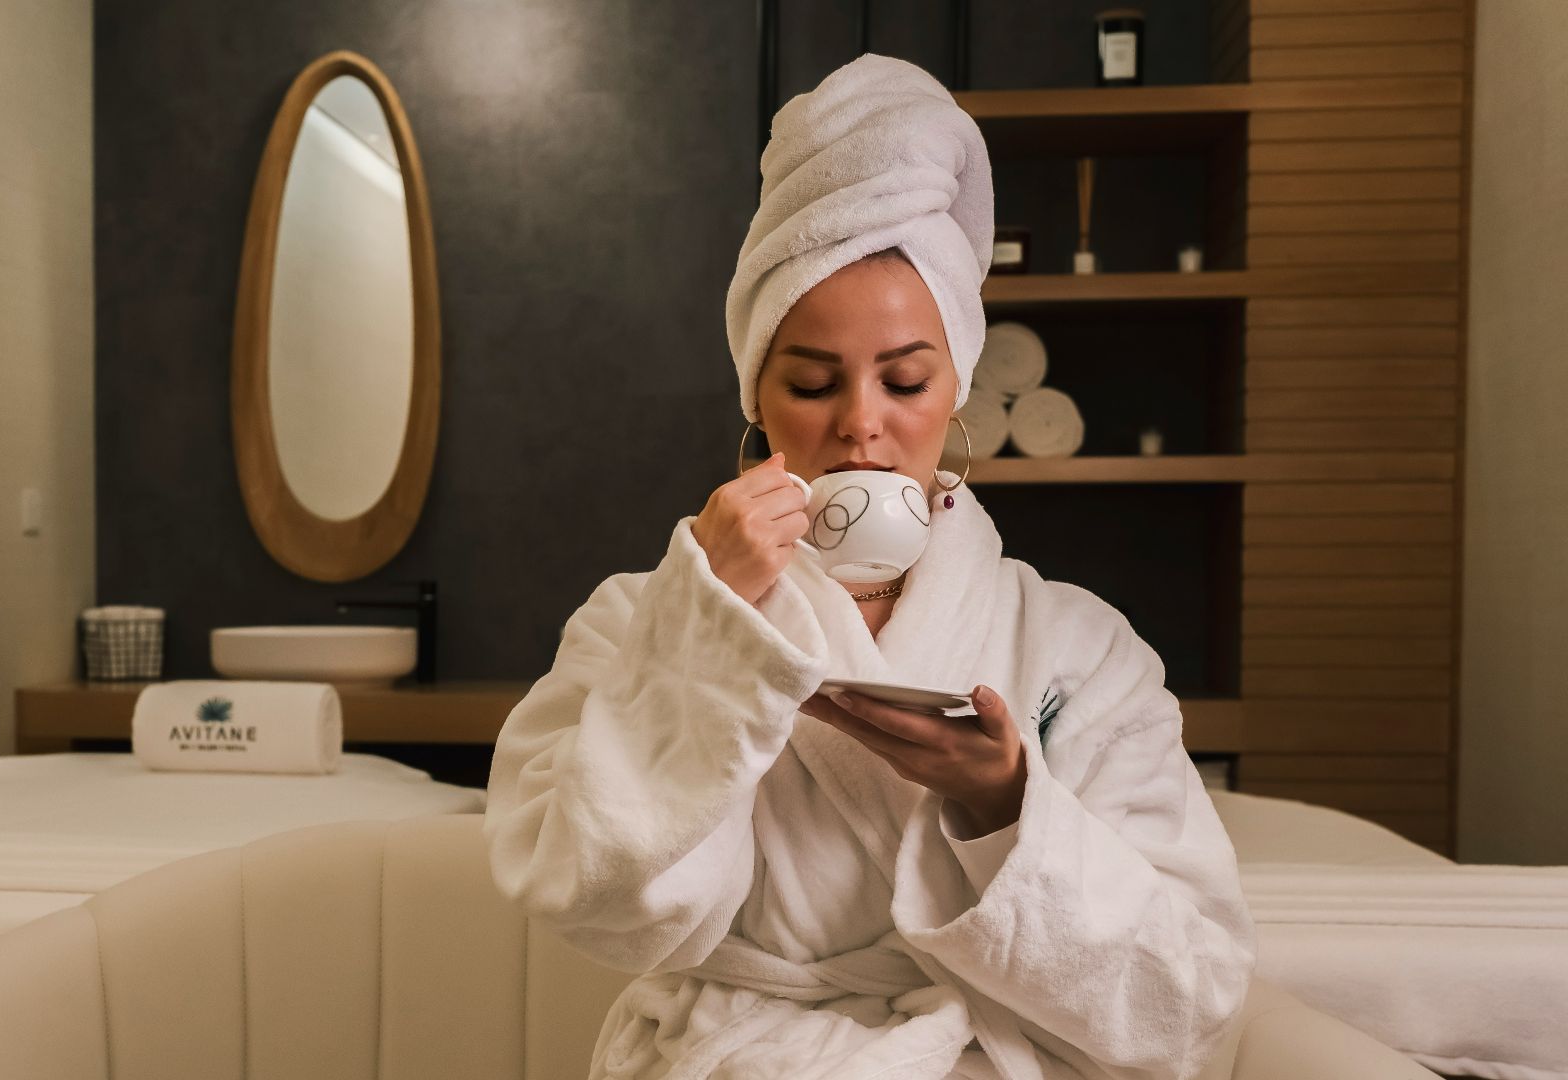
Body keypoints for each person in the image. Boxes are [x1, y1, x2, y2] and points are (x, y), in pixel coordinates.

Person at [483, 54, 1256, 1080]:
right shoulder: (643, 619)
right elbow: (589, 899)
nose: (861, 424)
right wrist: (706, 632)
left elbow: (1188, 1007)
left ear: (956, 392)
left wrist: (1006, 809)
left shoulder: (1078, 647)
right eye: (812, 384)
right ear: (758, 404)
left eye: (905, 381)